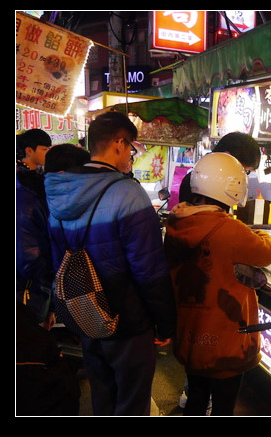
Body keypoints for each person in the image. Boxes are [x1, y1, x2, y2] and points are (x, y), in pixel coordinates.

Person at [45, 111, 176, 416]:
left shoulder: (58, 191)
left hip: (86, 315)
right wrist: (166, 323)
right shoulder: (128, 193)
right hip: (128, 320)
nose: (131, 154)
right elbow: (149, 270)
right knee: (131, 402)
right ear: (119, 142)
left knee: (102, 397)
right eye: (131, 147)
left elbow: (57, 259)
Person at [164, 152, 271, 416]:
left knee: (196, 399)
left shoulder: (177, 222)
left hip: (190, 335)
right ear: (233, 187)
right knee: (224, 407)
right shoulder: (229, 229)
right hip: (226, 341)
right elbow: (266, 253)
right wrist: (262, 234)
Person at [16, 129, 54, 329]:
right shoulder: (25, 186)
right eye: (44, 149)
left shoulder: (32, 180)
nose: (48, 153)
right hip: (29, 280)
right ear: (29, 150)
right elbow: (26, 241)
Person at [178, 132, 262, 202]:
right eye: (244, 170)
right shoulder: (201, 181)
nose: (244, 177)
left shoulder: (200, 176)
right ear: (227, 156)